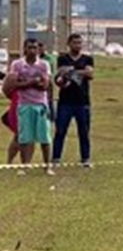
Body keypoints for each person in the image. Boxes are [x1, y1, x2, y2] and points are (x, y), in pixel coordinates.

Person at [10, 38, 54, 175]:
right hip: (24, 104)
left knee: (45, 138)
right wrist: (34, 81)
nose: (33, 51)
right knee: (25, 138)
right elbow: (14, 85)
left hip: (40, 104)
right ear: (25, 49)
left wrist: (26, 82)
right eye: (30, 48)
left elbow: (45, 86)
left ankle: (47, 166)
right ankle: (25, 165)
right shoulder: (17, 64)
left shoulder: (44, 64)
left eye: (35, 48)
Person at [53, 33, 95, 168]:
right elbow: (60, 73)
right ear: (69, 44)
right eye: (75, 43)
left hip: (82, 101)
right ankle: (56, 158)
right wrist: (78, 72)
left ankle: (85, 158)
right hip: (65, 101)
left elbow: (90, 73)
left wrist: (72, 71)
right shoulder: (62, 58)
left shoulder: (87, 59)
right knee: (60, 131)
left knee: (84, 132)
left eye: (80, 43)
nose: (78, 45)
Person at [2, 64, 21, 165]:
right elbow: (6, 89)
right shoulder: (17, 68)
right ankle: (10, 162)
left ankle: (25, 162)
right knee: (20, 135)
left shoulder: (42, 66)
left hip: (35, 103)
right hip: (19, 105)